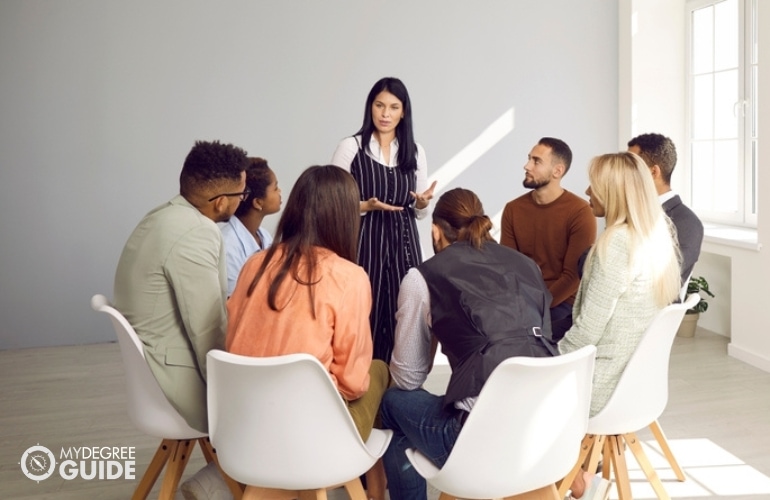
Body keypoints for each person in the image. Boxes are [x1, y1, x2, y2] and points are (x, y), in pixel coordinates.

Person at [380, 188, 555, 500]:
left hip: (478, 445)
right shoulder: (526, 266)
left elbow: (409, 380)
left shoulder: (423, 278)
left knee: (393, 402)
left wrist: (433, 328)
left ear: (435, 230)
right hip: (544, 432)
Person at [226, 164, 389, 445]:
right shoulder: (349, 277)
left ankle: (227, 477)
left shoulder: (254, 263)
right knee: (379, 371)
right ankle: (371, 486)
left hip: (244, 423)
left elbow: (231, 343)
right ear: (346, 217)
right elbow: (352, 382)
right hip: (310, 436)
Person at [559, 152, 681, 500]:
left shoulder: (615, 245)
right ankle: (582, 480)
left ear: (613, 193)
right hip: (638, 388)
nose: (586, 191)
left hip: (602, 389)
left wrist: (548, 361)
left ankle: (573, 484)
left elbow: (585, 334)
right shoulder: (656, 239)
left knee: (510, 393)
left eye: (594, 187)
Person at [114, 140, 248, 433]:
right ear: (221, 201)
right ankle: (218, 480)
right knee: (272, 402)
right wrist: (237, 390)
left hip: (149, 374)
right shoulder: (197, 233)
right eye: (242, 194)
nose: (243, 201)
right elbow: (208, 331)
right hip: (174, 384)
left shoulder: (160, 216)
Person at [331, 76, 437, 363]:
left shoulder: (415, 151)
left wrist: (423, 203)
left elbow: (419, 208)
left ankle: (403, 382)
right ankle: (363, 380)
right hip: (365, 239)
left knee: (409, 309)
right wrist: (367, 205)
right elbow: (331, 201)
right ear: (370, 108)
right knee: (367, 307)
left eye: (393, 107)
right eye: (379, 105)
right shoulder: (351, 147)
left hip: (405, 241)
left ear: (404, 112)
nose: (385, 114)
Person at [500, 137, 596, 341]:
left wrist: (537, 307)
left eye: (536, 161)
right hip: (523, 302)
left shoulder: (580, 212)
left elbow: (572, 276)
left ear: (557, 171)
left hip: (561, 304)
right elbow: (509, 268)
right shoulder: (513, 209)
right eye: (529, 159)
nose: (526, 166)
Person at [628, 132, 704, 287]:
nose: (623, 173)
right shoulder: (630, 210)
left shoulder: (687, 223)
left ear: (653, 172)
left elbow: (662, 277)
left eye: (630, 166)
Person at [218, 157, 282, 296]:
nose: (280, 191)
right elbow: (234, 300)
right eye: (275, 187)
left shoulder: (264, 236)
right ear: (258, 202)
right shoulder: (228, 246)